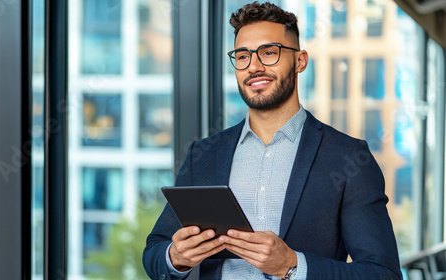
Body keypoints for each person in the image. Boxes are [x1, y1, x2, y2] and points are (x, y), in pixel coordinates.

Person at [143, 2, 402, 279]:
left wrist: (292, 266)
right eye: (243, 56)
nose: (254, 66)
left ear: (300, 61)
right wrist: (176, 257)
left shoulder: (348, 157)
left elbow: (382, 273)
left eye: (269, 53)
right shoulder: (203, 155)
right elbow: (155, 252)